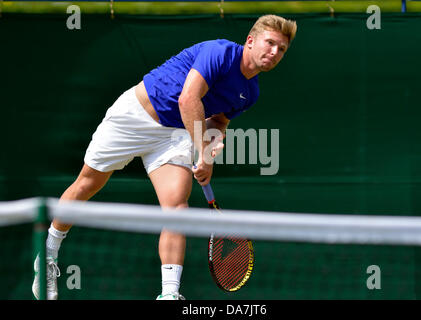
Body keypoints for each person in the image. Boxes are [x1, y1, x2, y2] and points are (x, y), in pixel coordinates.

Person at [32, 14, 297, 300]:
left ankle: (169, 294)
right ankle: (48, 254)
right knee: (87, 184)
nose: (274, 52)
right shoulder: (219, 53)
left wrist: (213, 140)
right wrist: (205, 154)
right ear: (250, 41)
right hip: (135, 116)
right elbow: (188, 100)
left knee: (176, 208)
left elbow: (219, 120)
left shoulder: (251, 91)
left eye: (281, 49)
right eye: (270, 43)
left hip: (172, 135)